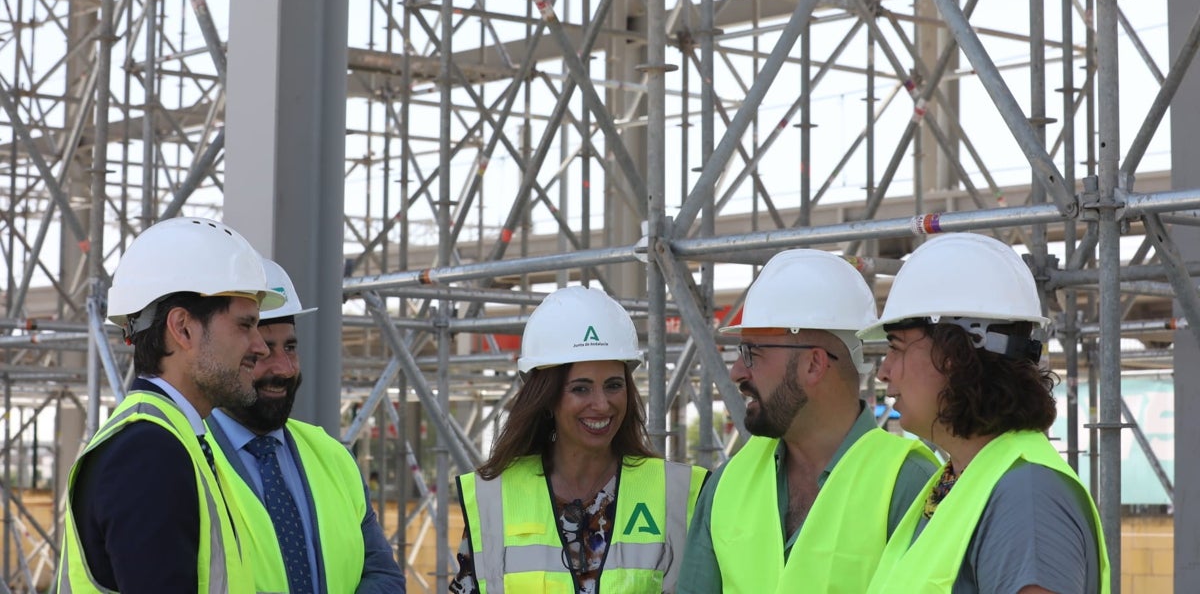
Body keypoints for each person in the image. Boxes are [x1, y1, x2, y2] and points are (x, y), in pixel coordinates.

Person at [859, 232, 1110, 593]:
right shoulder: (961, 484)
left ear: (954, 354)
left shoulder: (1027, 501)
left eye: (896, 348)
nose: (884, 371)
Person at [678, 248, 939, 594]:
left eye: (752, 352)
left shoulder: (910, 483)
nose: (737, 372)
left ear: (814, 364)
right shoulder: (728, 482)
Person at [56, 216, 283, 593]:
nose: (260, 346)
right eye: (246, 325)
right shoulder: (148, 453)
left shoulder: (179, 441)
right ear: (183, 328)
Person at [450, 285, 709, 593]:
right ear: (546, 397)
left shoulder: (680, 494)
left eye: (613, 385)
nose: (602, 404)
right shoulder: (491, 497)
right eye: (581, 388)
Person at [207, 258, 406, 594]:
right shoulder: (186, 456)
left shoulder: (331, 456)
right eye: (264, 350)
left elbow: (384, 577)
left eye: (291, 347)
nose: (284, 368)